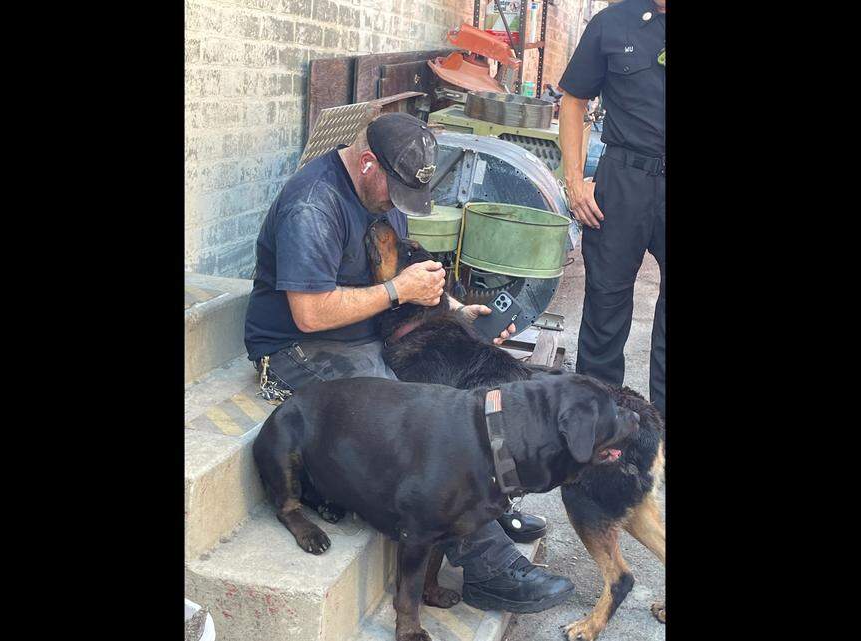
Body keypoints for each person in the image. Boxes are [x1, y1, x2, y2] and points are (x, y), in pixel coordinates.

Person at [242, 112, 575, 613]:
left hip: (367, 336)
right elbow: (308, 315)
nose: (397, 208)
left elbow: (409, 269)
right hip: (299, 349)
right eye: (394, 194)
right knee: (427, 422)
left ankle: (489, 509)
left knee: (475, 381)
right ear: (369, 164)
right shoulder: (313, 205)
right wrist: (398, 290)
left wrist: (459, 313)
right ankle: (490, 564)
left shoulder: (380, 195)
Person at [557, 0, 666, 417]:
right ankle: (596, 430)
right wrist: (573, 182)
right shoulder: (611, 23)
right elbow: (573, 101)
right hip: (623, 181)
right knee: (606, 306)